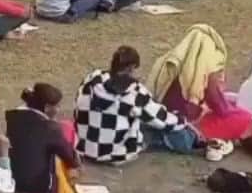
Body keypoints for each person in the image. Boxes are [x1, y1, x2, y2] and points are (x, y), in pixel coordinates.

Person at [74, 46, 204, 163]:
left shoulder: (92, 78)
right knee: (176, 132)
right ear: (131, 68)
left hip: (84, 146)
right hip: (115, 153)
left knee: (135, 117)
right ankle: (196, 142)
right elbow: (162, 120)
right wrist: (182, 120)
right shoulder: (134, 92)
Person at [146, 24, 251, 148]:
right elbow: (219, 105)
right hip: (186, 126)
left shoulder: (169, 59)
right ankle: (193, 137)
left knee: (228, 101)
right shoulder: (207, 64)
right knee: (243, 116)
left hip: (160, 118)